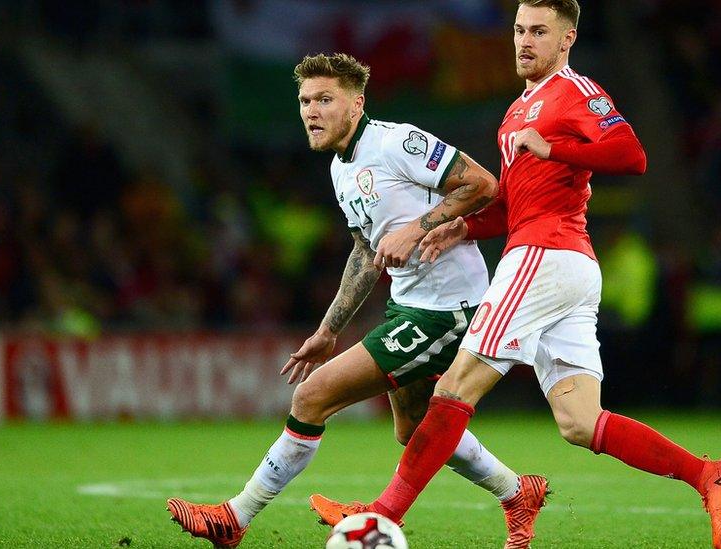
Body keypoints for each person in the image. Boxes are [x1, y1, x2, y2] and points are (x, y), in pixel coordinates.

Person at [309, 3, 721, 549]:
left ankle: (382, 513)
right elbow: (512, 205)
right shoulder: (516, 114)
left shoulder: (575, 91)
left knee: (452, 388)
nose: (524, 41)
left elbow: (632, 155)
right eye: (519, 30)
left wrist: (553, 145)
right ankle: (709, 475)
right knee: (580, 422)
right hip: (563, 265)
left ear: (568, 39)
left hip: (543, 255)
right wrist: (460, 229)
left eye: (539, 32)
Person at [167, 53, 545, 549]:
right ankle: (519, 493)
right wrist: (328, 329)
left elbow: (482, 183)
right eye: (305, 100)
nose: (311, 111)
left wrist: (419, 226)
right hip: (410, 306)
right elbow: (366, 251)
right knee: (414, 431)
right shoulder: (341, 170)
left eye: (325, 99)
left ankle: (234, 519)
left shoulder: (395, 142)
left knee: (311, 397)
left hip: (451, 310)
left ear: (356, 103)